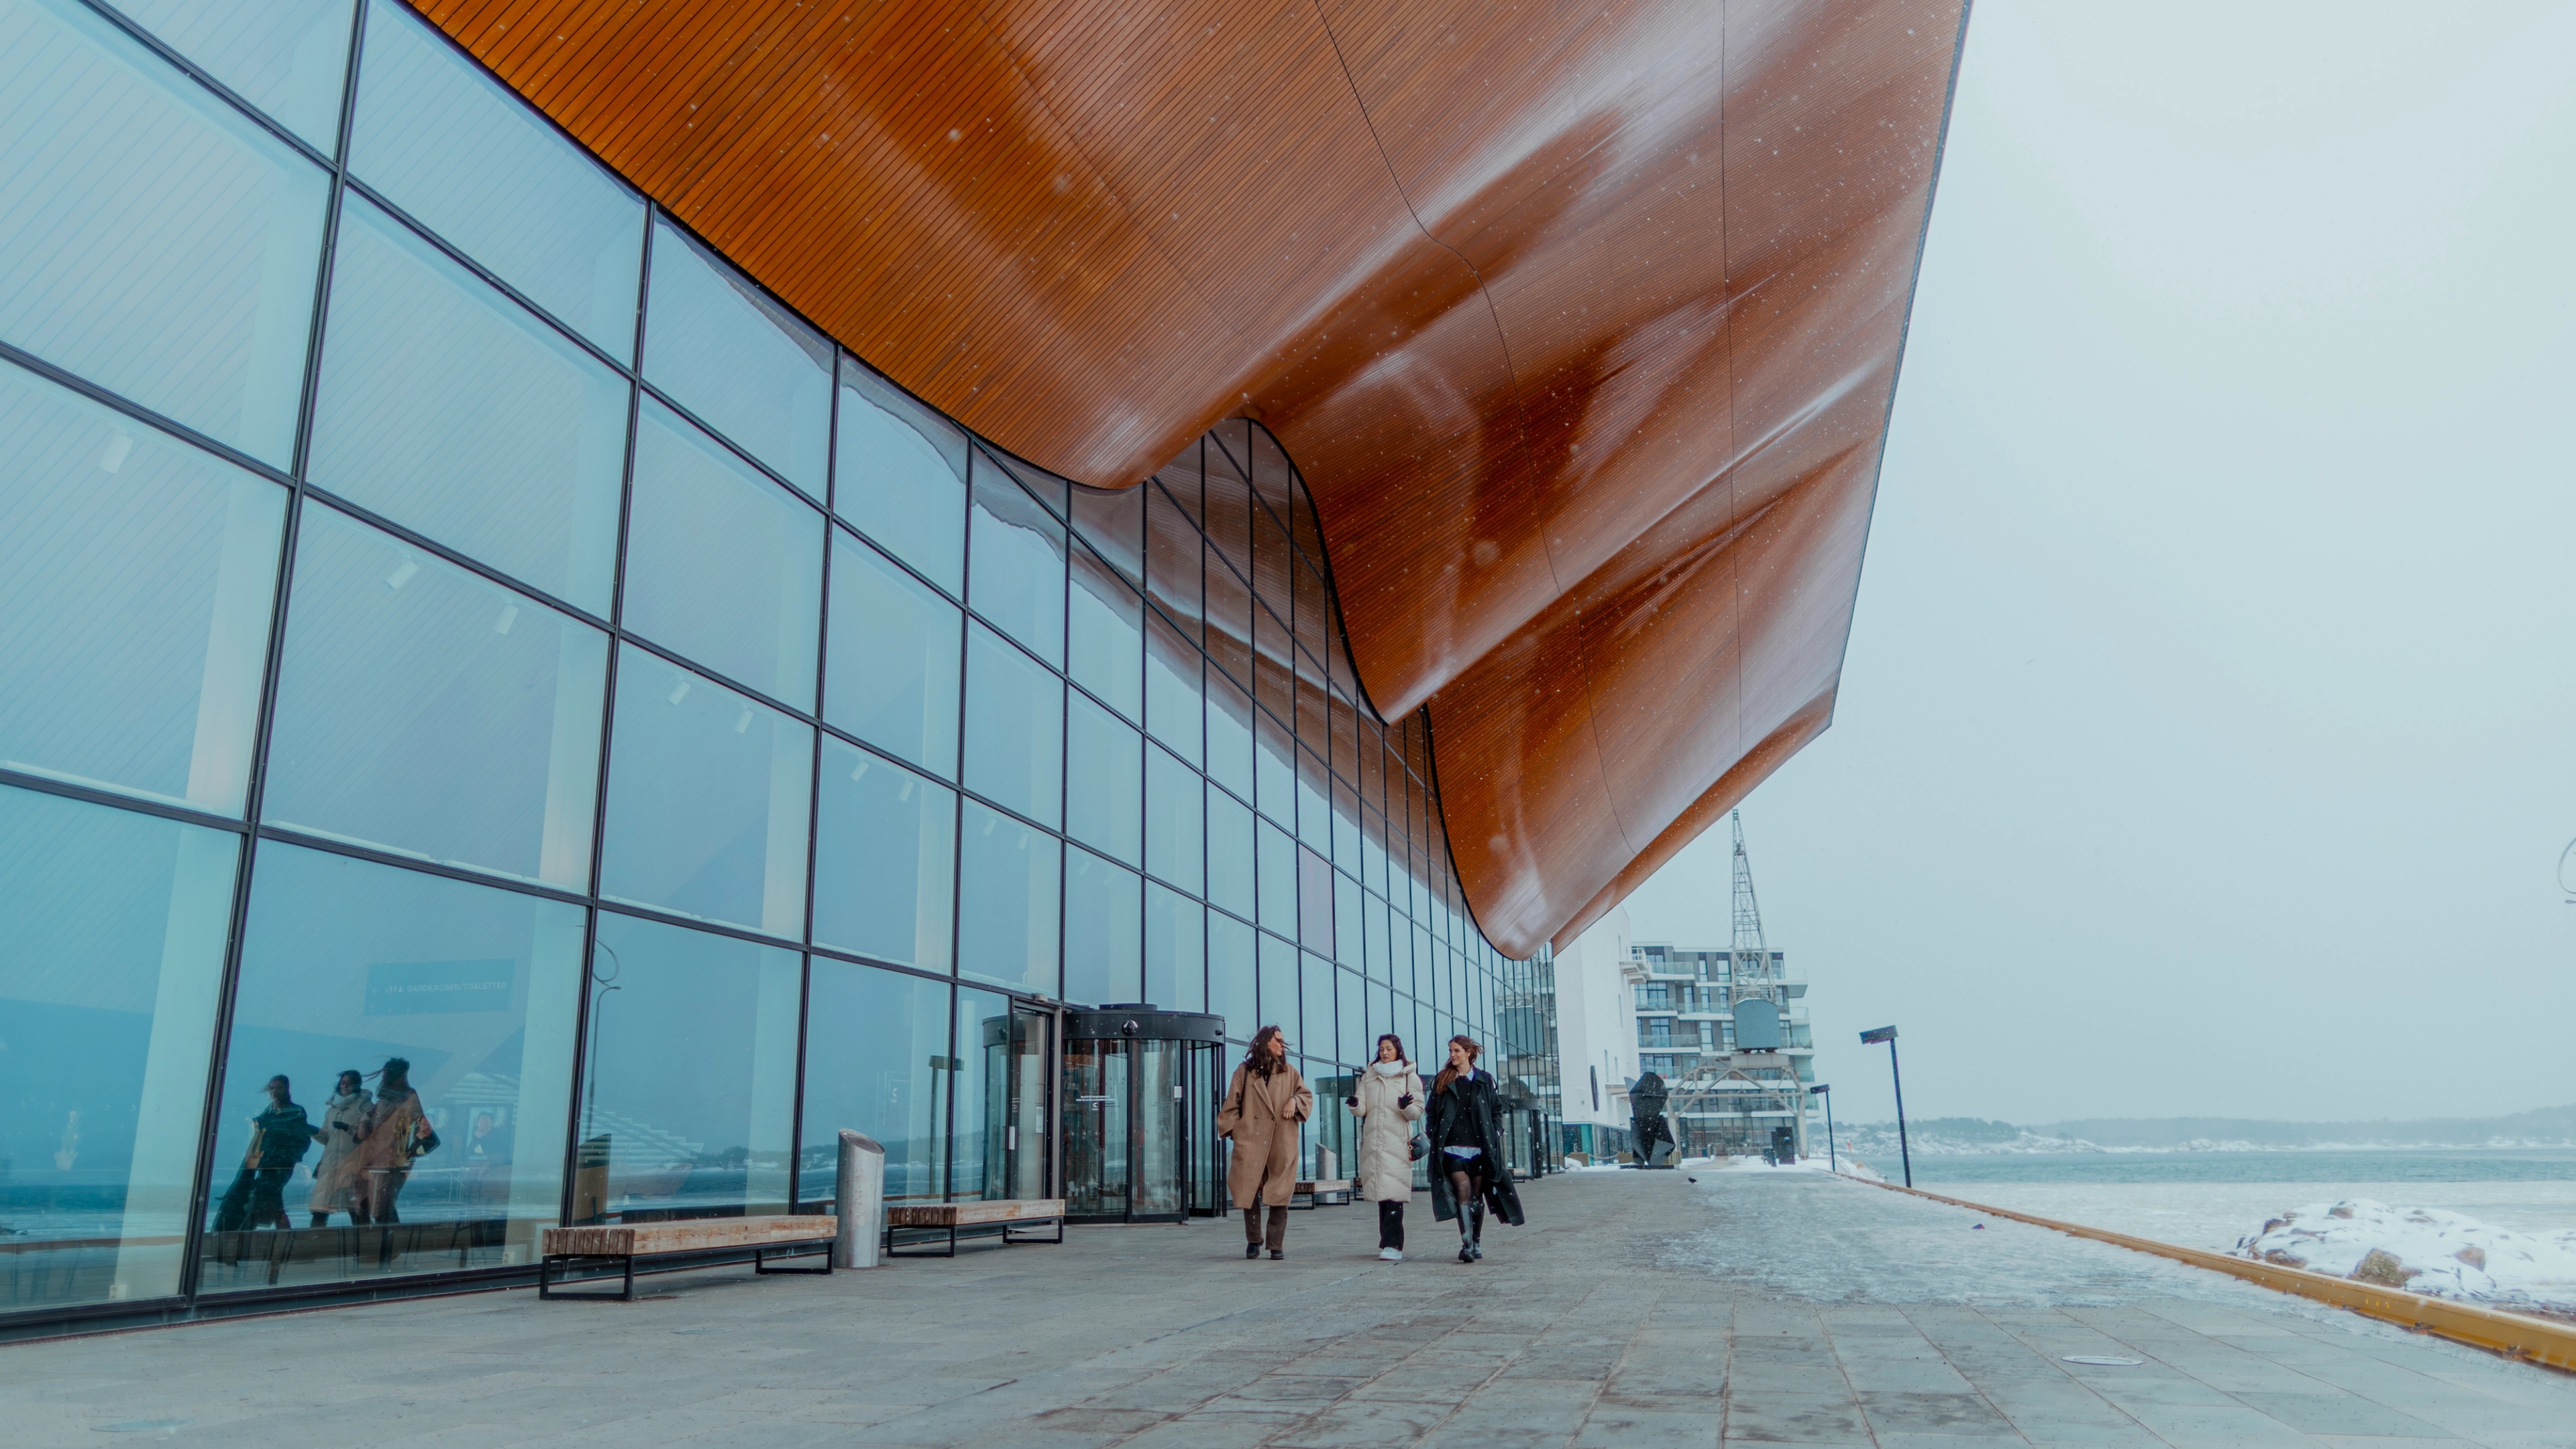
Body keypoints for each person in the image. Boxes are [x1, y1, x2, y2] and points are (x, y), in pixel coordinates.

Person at [1215, 1025, 1312, 1260]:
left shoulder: (1289, 1072)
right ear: (1265, 1042)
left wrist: (1295, 1101)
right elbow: (1230, 1107)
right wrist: (1239, 1132)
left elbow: (1306, 1096)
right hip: (1252, 1140)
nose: (1282, 1045)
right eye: (1277, 1040)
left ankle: (1276, 1244)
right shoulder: (1245, 1072)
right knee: (1247, 1190)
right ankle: (1253, 1239)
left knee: (1280, 1193)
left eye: (1283, 1041)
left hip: (1281, 1140)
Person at [1426, 1035, 1525, 1263]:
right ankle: (1467, 1244)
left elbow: (1496, 1111)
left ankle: (1476, 1240)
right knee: (1463, 1192)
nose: (1452, 1055)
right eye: (1451, 1051)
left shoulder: (1484, 1079)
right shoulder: (1443, 1079)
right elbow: (1431, 1111)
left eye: (1457, 1051)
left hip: (1480, 1150)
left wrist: (1495, 1133)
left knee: (1477, 1196)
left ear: (1468, 1053)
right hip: (1451, 1149)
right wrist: (1434, 1133)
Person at [1345, 1033, 1424, 1263]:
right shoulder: (1370, 1075)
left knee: (1393, 1194)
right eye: (1381, 1049)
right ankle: (1387, 1241)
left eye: (1389, 1048)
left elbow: (1417, 1111)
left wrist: (1405, 1107)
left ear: (1398, 1050)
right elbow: (1362, 1107)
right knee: (1383, 1194)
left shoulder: (1409, 1076)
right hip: (1375, 1143)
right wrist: (1355, 1105)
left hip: (1397, 1143)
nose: (1385, 1053)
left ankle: (1393, 1245)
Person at [212, 1076, 311, 1232]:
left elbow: (302, 1139)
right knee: (269, 1200)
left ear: (287, 1089)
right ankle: (283, 1236)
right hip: (263, 1163)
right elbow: (260, 1138)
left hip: (281, 1165)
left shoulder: (296, 1111)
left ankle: (245, 1235)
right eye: (272, 1088)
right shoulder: (269, 1111)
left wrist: (288, 1156)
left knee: (263, 1197)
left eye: (279, 1088)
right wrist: (251, 1161)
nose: (275, 1091)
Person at [354, 1058, 438, 1226]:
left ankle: (391, 1241)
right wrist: (363, 1123)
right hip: (373, 1158)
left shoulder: (408, 1097)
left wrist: (408, 1154)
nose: (383, 1075)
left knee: (383, 1207)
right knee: (366, 1205)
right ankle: (378, 1240)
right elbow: (370, 1115)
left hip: (391, 1162)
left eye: (387, 1072)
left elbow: (421, 1127)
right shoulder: (387, 1098)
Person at [307, 1070, 371, 1227]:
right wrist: (313, 1131)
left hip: (353, 1165)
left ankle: (366, 1241)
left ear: (357, 1085)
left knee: (357, 1210)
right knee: (320, 1209)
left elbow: (368, 1136)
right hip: (330, 1166)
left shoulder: (365, 1106)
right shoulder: (332, 1109)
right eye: (343, 1083)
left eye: (349, 1083)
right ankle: (313, 1241)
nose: (345, 1086)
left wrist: (348, 1128)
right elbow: (327, 1138)